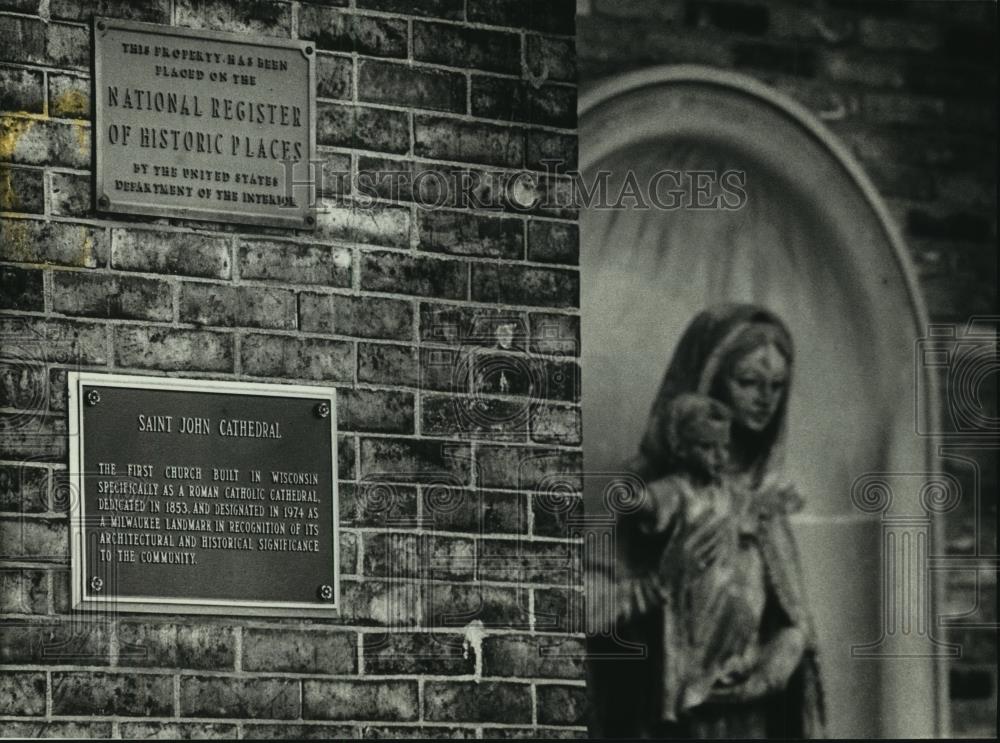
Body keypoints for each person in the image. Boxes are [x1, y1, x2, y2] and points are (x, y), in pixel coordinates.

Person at [590, 303, 825, 739]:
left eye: (777, 386)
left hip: (751, 713)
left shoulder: (759, 494)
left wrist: (780, 660)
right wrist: (658, 585)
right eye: (749, 382)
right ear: (710, 381)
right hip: (666, 717)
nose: (765, 398)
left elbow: (793, 617)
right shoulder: (656, 485)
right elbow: (584, 610)